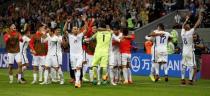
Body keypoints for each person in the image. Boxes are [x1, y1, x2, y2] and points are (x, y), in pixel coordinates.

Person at [181, 12, 202, 85]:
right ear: (188, 28)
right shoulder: (190, 32)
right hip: (190, 52)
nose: (189, 25)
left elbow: (183, 26)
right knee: (192, 66)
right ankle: (190, 80)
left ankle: (182, 79)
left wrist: (186, 19)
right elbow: (196, 25)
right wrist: (199, 18)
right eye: (188, 25)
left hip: (184, 52)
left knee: (183, 65)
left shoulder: (182, 33)